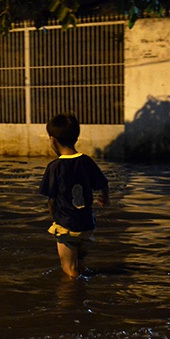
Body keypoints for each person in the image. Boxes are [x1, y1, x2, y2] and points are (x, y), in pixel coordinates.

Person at [39, 114, 109, 279]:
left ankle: (72, 300)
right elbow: (103, 184)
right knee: (80, 265)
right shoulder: (87, 161)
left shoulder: (54, 167)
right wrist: (105, 197)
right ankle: (84, 289)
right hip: (87, 225)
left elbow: (51, 200)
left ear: (53, 141)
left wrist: (55, 218)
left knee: (69, 269)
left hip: (67, 226)